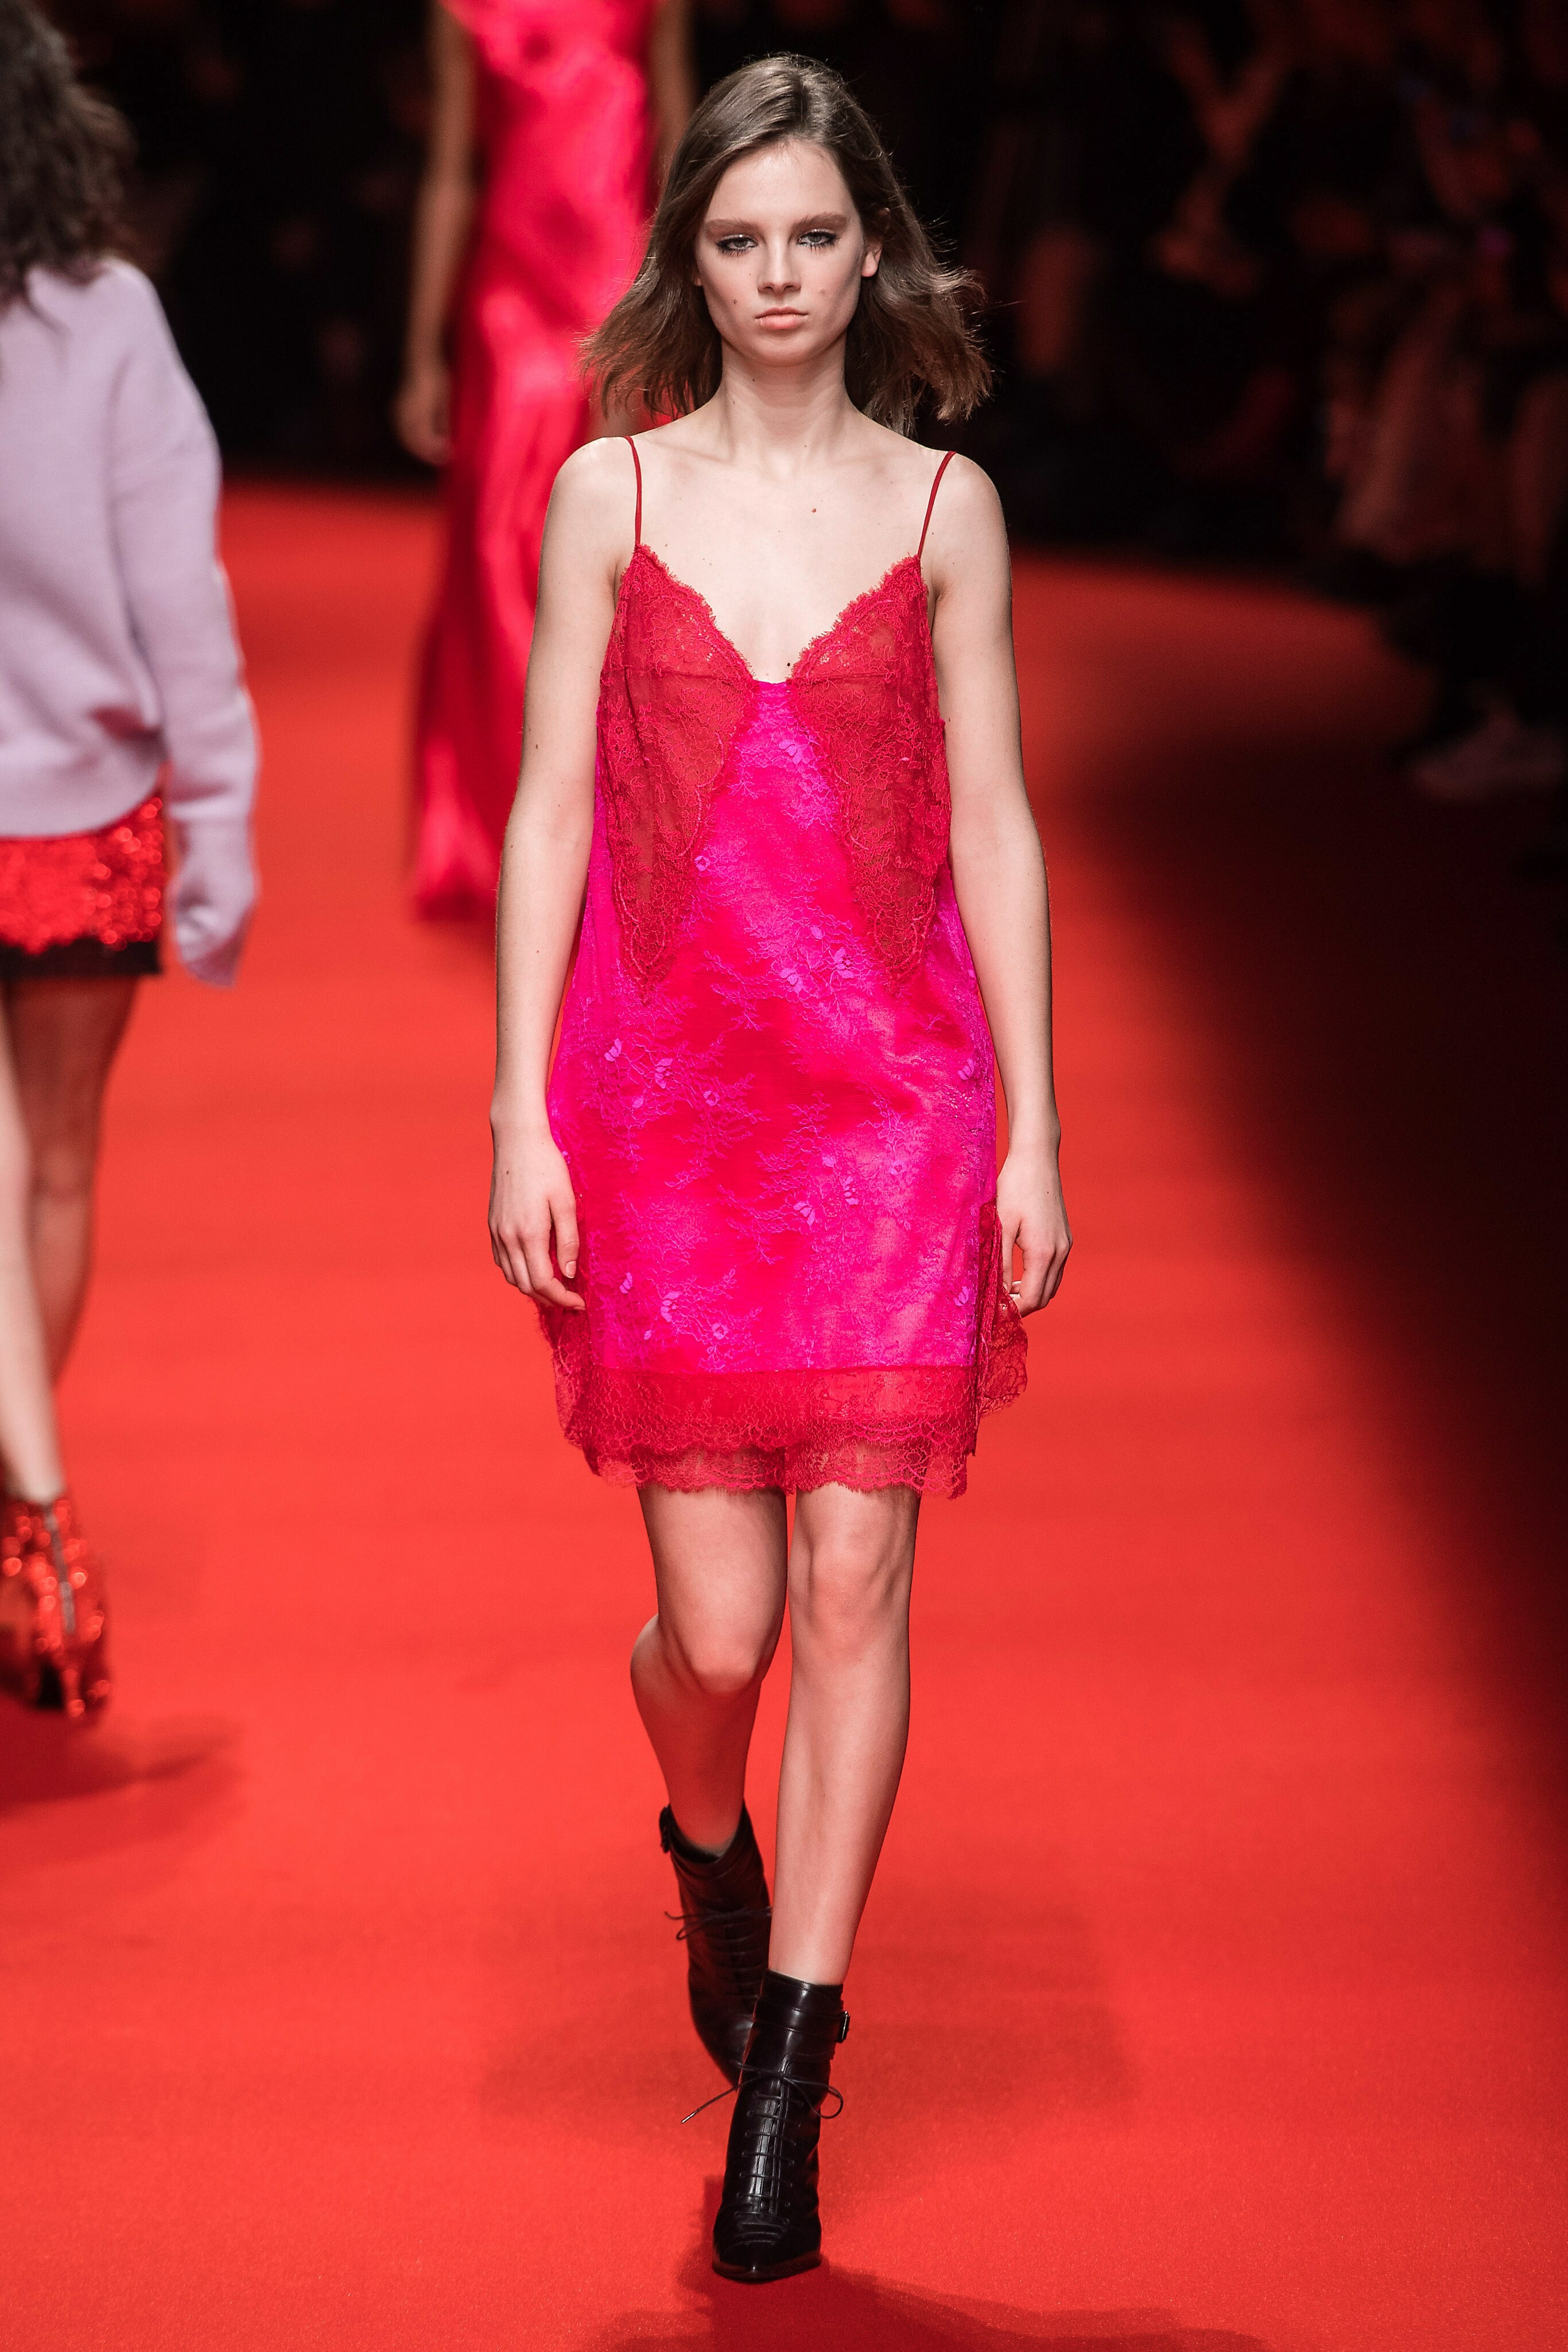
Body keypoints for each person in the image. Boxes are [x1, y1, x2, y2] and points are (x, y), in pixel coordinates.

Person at [488, 55, 1071, 2279]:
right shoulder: (607, 493)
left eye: (815, 235)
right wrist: (515, 1104)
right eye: (739, 240)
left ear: (872, 248)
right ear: (689, 260)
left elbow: (995, 820)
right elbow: (550, 806)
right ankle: (703, 1835)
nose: (780, 276)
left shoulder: (943, 512)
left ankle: (790, 2074)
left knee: (853, 1582)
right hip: (667, 1100)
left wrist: (1034, 1124)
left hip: (893, 1102)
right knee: (718, 1629)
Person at [0, 0, 257, 1718]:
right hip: (83, 818)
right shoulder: (107, 322)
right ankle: (26, 1506)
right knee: (55, 1165)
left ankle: (27, 1506)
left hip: (65, 810)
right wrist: (219, 826)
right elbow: (181, 598)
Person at [397, 0, 695, 918]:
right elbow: (451, 173)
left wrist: (682, 312)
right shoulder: (464, 10)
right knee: (498, 551)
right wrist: (424, 349)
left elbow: (685, 152)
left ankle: (629, 830)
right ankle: (506, 829)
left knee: (633, 562)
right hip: (510, 301)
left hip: (620, 290)